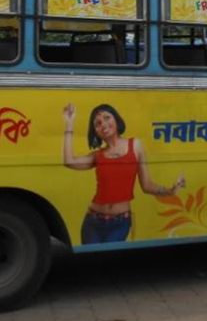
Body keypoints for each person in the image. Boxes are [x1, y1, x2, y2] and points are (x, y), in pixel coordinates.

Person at [62, 103, 185, 244]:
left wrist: (171, 191)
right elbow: (69, 161)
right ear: (95, 131)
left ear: (116, 120)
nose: (103, 124)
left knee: (109, 263)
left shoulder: (135, 145)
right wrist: (69, 123)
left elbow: (147, 185)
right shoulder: (98, 155)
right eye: (98, 123)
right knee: (91, 264)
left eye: (107, 118)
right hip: (93, 222)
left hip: (119, 223)